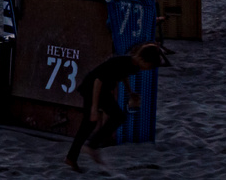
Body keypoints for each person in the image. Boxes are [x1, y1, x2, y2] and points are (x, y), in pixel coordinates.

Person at [66, 43, 168, 171]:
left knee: (102, 121)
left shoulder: (134, 66)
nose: (149, 69)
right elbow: (98, 81)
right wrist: (94, 108)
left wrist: (130, 92)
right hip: (92, 88)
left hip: (103, 90)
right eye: (150, 66)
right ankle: (89, 148)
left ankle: (74, 156)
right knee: (103, 120)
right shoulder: (122, 62)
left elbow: (123, 76)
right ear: (143, 59)